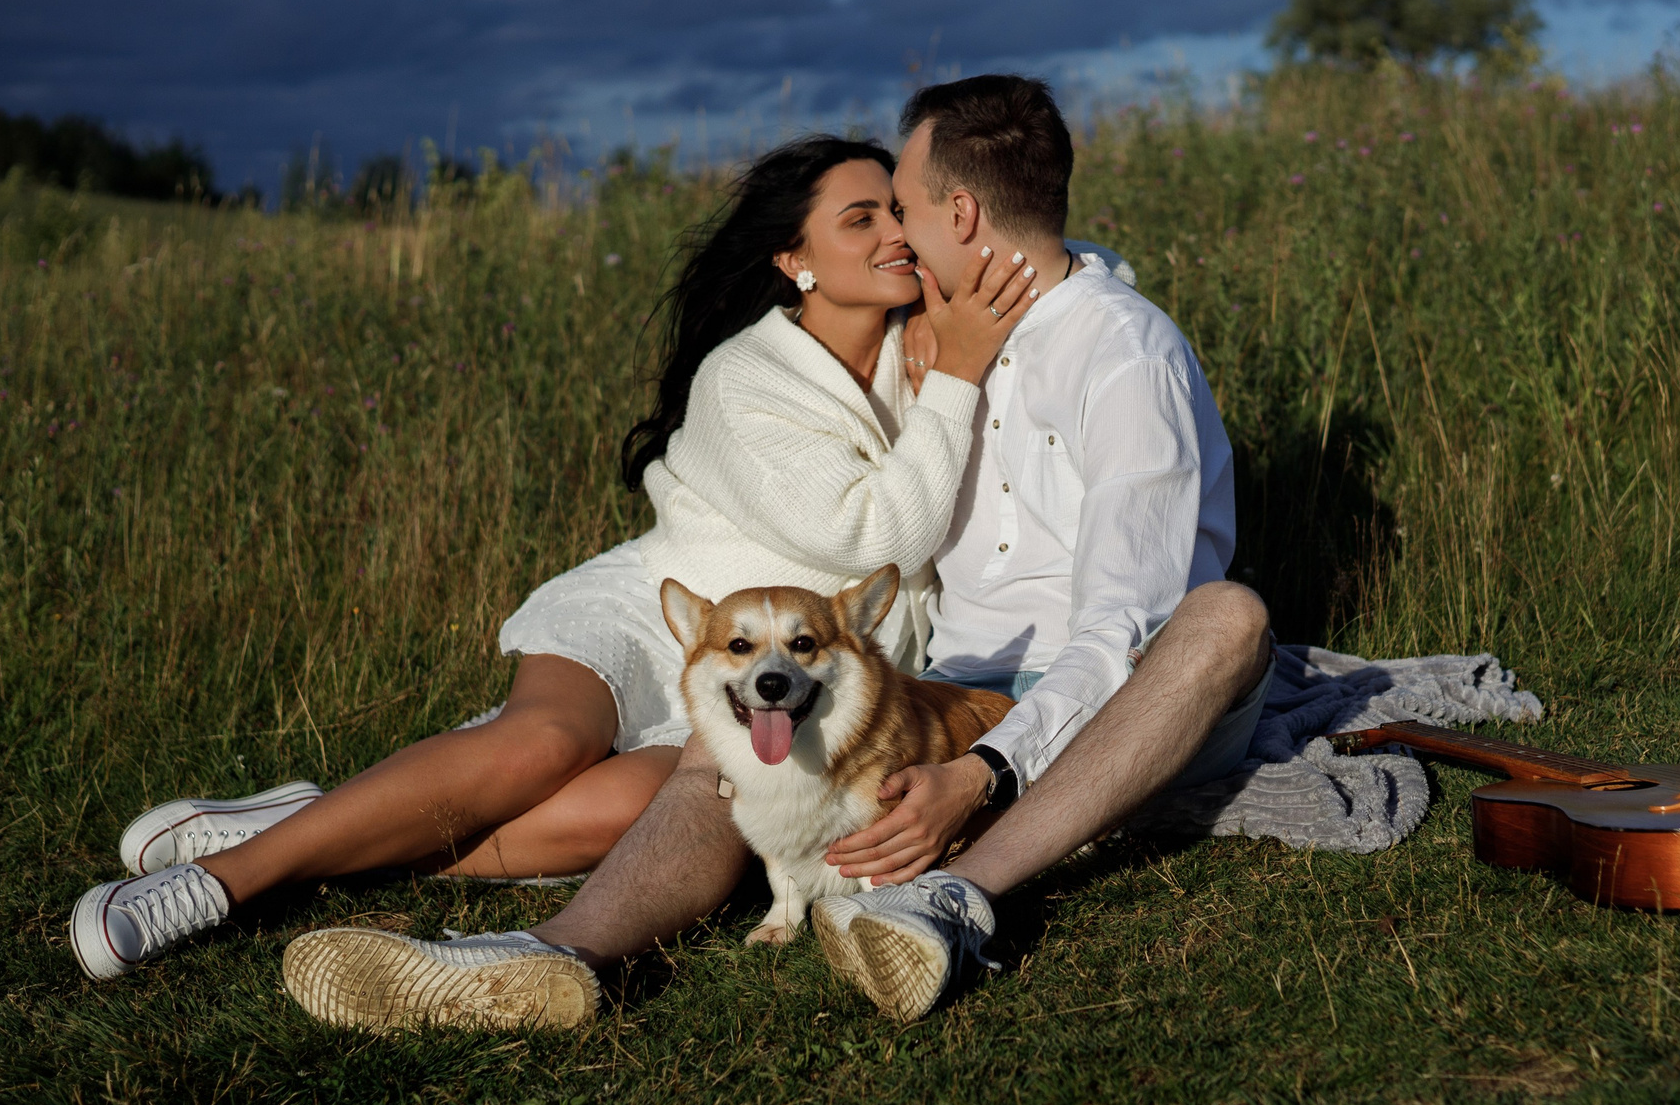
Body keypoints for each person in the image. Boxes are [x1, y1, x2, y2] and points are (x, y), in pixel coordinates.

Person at [278, 75, 1273, 1027]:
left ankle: (951, 898)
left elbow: (1121, 631)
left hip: (1108, 711)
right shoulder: (937, 330)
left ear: (962, 214)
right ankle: (555, 953)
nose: (896, 236)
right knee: (725, 739)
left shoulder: (1122, 356)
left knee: (1228, 617)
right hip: (955, 695)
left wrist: (981, 775)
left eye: (904, 210)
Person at [68, 135, 1034, 983]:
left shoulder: (920, 343)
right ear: (795, 258)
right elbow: (879, 537)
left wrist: (943, 337)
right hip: (667, 611)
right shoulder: (745, 378)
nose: (895, 233)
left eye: (897, 211)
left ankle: (325, 826)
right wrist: (956, 371)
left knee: (631, 809)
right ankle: (223, 883)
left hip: (787, 670)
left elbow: (1056, 264)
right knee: (539, 747)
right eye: (860, 219)